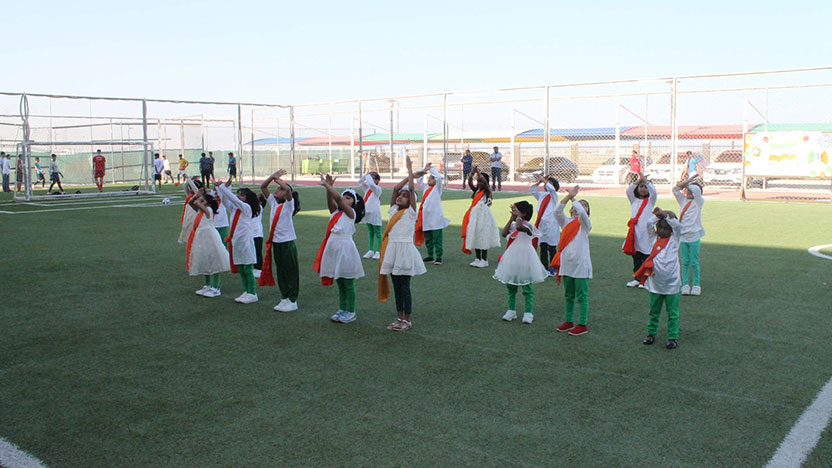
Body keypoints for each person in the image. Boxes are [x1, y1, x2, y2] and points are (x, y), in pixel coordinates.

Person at [379, 157, 426, 331]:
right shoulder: (393, 211)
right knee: (396, 287)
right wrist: (410, 176)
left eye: (405, 196)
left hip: (404, 251)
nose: (400, 196)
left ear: (411, 200)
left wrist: (410, 170)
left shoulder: (410, 213)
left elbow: (411, 188)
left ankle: (407, 319)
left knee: (404, 287)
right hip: (392, 251)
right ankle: (399, 317)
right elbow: (396, 188)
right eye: (400, 196)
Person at [313, 173, 366, 323]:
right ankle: (342, 308)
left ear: (354, 203)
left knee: (347, 281)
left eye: (348, 198)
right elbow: (332, 201)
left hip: (345, 249)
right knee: (340, 281)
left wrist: (328, 186)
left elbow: (337, 199)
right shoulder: (336, 212)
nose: (344, 199)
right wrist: (328, 188)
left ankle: (351, 311)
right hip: (333, 247)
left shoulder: (351, 213)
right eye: (344, 197)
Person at [494, 200, 549, 324]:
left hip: (526, 256)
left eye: (516, 210)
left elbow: (520, 227)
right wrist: (511, 218)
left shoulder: (528, 226)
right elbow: (504, 233)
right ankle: (511, 310)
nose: (513, 212)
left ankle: (528, 312)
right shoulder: (513, 225)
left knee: (527, 285)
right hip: (513, 255)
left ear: (523, 213)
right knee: (511, 284)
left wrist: (518, 218)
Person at [635, 207, 683, 349]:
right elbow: (649, 224)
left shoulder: (675, 239)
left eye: (666, 228)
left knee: (672, 313)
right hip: (655, 282)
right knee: (654, 311)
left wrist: (667, 217)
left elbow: (678, 227)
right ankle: (651, 333)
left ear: (671, 230)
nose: (662, 231)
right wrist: (658, 216)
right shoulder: (653, 238)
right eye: (660, 227)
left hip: (672, 283)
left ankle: (672, 337)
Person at [552, 185, 593, 336]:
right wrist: (568, 197)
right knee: (568, 295)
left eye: (585, 205)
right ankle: (569, 321)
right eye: (577, 205)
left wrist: (574, 197)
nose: (580, 207)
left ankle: (582, 324)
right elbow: (556, 211)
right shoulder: (566, 222)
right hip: (567, 264)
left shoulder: (584, 224)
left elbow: (581, 213)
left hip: (581, 265)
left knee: (582, 295)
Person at [259, 169, 301, 312]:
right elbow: (263, 187)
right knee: (281, 271)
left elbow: (288, 190)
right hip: (276, 243)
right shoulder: (274, 203)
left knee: (291, 272)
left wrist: (278, 180)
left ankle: (293, 299)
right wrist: (272, 176)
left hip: (287, 243)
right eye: (277, 188)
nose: (277, 190)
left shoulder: (289, 205)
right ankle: (284, 297)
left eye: (279, 189)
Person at [216, 179, 261, 304]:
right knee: (240, 268)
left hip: (245, 241)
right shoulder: (235, 209)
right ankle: (246, 291)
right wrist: (221, 190)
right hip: (236, 241)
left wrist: (223, 188)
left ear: (247, 198)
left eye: (241, 194)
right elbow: (225, 201)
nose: (238, 196)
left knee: (247, 268)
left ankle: (252, 293)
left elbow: (233, 200)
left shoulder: (246, 208)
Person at [187, 185, 230, 298]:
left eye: (203, 200)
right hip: (201, 237)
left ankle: (215, 287)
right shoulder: (200, 210)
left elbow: (196, 203)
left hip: (210, 237)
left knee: (214, 261)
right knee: (204, 260)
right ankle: (207, 285)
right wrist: (197, 195)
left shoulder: (209, 210)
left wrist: (199, 197)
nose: (199, 201)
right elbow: (191, 202)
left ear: (208, 204)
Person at [622, 172, 657, 287]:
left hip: (647, 233)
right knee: (636, 256)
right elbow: (629, 191)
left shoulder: (650, 201)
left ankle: (645, 280)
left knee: (646, 256)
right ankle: (637, 278)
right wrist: (638, 180)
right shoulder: (634, 200)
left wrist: (646, 181)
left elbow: (654, 192)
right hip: (635, 233)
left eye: (646, 187)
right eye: (641, 186)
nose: (643, 189)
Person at [673, 175, 705, 296]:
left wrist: (689, 183)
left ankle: (696, 285)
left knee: (694, 261)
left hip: (694, 236)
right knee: (684, 261)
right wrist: (685, 183)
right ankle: (685, 284)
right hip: (683, 236)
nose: (688, 191)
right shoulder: (683, 201)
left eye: (690, 190)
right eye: (687, 190)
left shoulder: (698, 202)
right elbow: (675, 190)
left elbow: (696, 190)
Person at [462, 167, 501, 267]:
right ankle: (477, 258)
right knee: (476, 236)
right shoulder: (476, 191)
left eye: (482, 182)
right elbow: (470, 182)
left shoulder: (487, 192)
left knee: (482, 236)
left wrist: (479, 174)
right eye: (478, 182)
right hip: (475, 217)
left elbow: (486, 186)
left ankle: (484, 259)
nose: (479, 184)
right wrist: (472, 174)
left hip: (484, 217)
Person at [412, 162, 449, 265]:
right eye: (428, 178)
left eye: (431, 178)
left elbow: (438, 178)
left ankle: (439, 256)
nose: (429, 179)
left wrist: (431, 169)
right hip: (426, 218)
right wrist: (424, 170)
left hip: (436, 218)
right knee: (428, 238)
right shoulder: (426, 188)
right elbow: (419, 180)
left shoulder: (437, 189)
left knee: (437, 238)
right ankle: (430, 255)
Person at [530, 174, 560, 271]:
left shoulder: (553, 196)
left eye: (549, 183)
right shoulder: (542, 195)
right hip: (541, 225)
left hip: (551, 225)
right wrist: (539, 181)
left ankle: (553, 267)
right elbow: (533, 190)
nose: (546, 184)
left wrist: (544, 180)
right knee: (543, 247)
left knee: (551, 248)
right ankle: (544, 267)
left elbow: (551, 189)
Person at [359, 171, 383, 259]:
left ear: (377, 180)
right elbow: (360, 182)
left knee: (378, 233)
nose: (370, 180)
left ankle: (378, 251)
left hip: (375, 213)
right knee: (370, 232)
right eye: (370, 178)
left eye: (373, 178)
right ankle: (370, 250)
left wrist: (369, 177)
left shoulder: (377, 189)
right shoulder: (367, 189)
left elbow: (372, 185)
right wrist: (365, 176)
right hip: (367, 213)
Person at [179, 178, 202, 244]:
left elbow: (196, 190)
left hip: (193, 216)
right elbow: (185, 188)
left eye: (191, 187)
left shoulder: (198, 197)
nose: (191, 189)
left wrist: (189, 180)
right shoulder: (190, 196)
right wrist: (188, 182)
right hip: (187, 215)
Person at [253, 194, 266, 278]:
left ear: (260, 202)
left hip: (257, 233)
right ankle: (254, 267)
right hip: (251, 233)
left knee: (257, 252)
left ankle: (259, 269)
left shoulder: (259, 208)